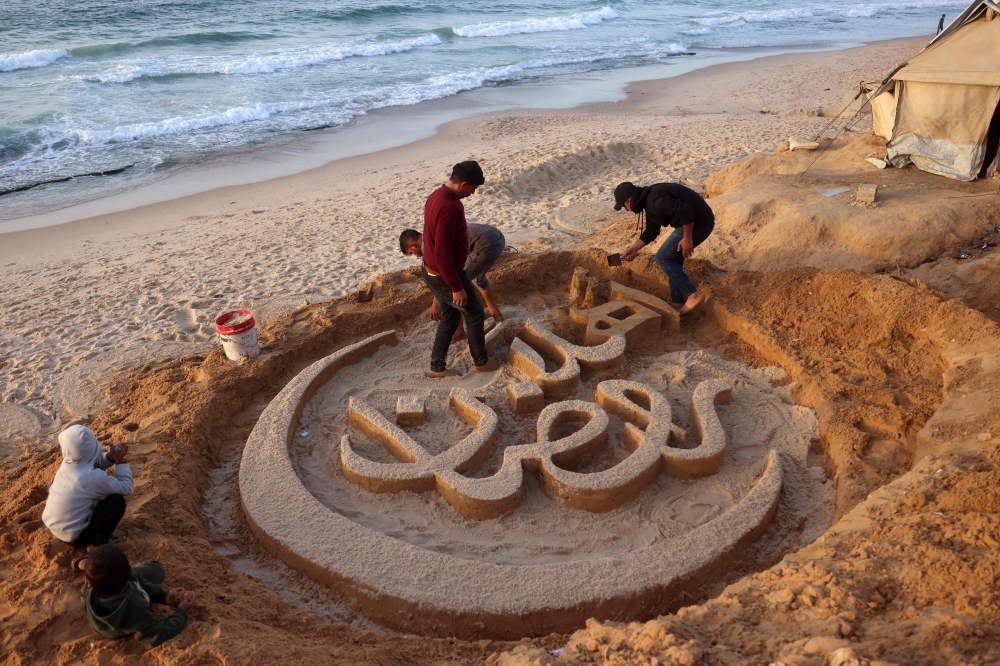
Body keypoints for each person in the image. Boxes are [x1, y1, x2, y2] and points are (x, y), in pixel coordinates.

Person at [419, 160, 501, 378]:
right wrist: (456, 286)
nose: (473, 193)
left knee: (450, 318)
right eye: (473, 189)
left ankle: (437, 368)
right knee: (474, 314)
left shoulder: (436, 195)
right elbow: (442, 252)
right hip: (446, 274)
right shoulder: (451, 207)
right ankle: (481, 362)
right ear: (464, 184)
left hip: (431, 271)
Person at [614, 181, 715, 314]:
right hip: (691, 221)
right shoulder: (648, 200)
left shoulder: (655, 201)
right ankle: (677, 302)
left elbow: (686, 211)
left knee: (663, 258)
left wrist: (687, 239)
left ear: (630, 200)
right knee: (672, 257)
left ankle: (693, 295)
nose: (626, 209)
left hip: (700, 223)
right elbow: (652, 229)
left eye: (624, 206)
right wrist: (634, 249)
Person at [43, 425, 133, 569]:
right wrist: (120, 462)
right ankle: (96, 544)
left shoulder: (67, 464)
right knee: (117, 501)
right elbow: (127, 487)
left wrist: (110, 458)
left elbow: (92, 463)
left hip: (56, 528)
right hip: (76, 536)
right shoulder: (93, 478)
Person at [399, 222, 506, 342]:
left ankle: (459, 332)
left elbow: (444, 279)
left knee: (455, 288)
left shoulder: (429, 247)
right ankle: (495, 313)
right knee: (477, 278)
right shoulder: (431, 233)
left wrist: (435, 304)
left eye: (412, 253)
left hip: (486, 246)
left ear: (412, 245)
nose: (416, 256)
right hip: (496, 236)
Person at [83, 544, 194, 649]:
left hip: (112, 590)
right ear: (130, 570)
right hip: (124, 613)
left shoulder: (93, 587)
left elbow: (136, 580)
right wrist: (181, 612)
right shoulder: (136, 610)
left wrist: (164, 596)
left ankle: (83, 564)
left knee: (152, 570)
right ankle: (109, 569)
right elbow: (159, 636)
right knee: (157, 568)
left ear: (90, 584)